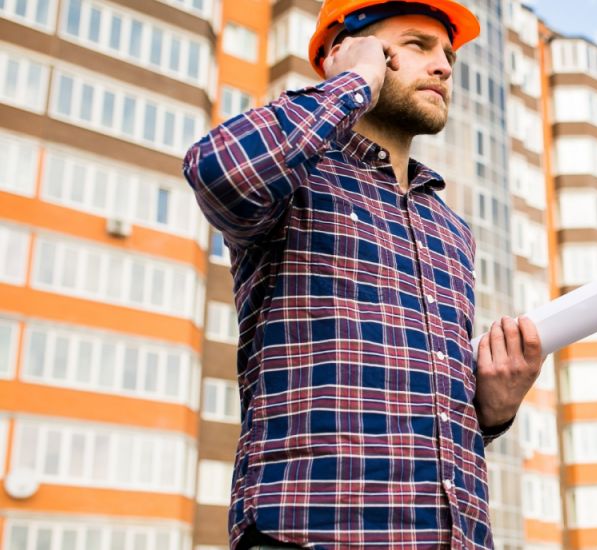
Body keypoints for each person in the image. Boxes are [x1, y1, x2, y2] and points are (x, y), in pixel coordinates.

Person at [182, 1, 544, 547]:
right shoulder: (299, 179)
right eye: (418, 45)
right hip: (311, 534)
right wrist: (352, 82)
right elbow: (220, 170)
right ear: (345, 49)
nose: (445, 66)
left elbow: (422, 427)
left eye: (448, 54)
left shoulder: (452, 232)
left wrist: (489, 413)